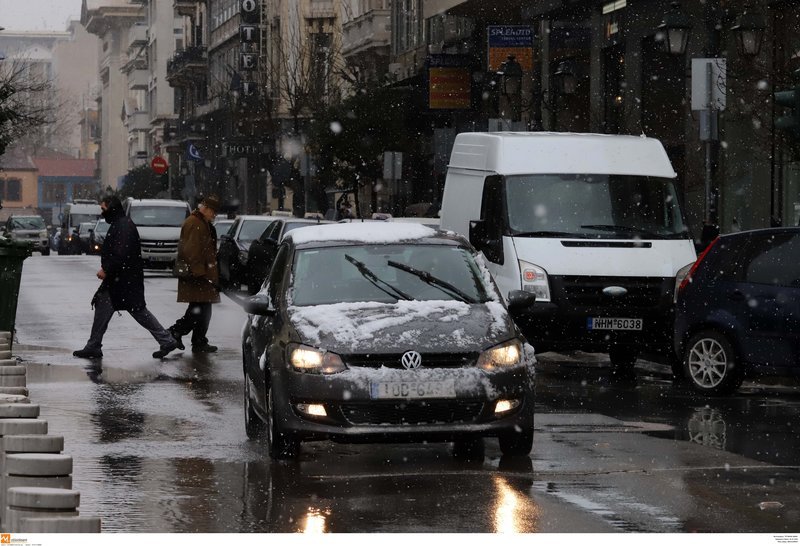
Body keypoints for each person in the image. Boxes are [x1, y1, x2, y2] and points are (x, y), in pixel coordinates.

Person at [73, 195, 179, 360]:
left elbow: (121, 253)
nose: (102, 212)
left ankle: (166, 340)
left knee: (137, 310)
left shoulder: (123, 226)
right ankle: (93, 345)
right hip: (123, 279)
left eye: (103, 209)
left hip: (123, 280)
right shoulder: (121, 223)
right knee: (117, 307)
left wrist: (106, 269)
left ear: (111, 208)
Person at [166, 195, 221, 353]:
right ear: (205, 209)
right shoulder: (195, 223)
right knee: (198, 310)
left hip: (201, 274)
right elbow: (191, 251)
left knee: (202, 309)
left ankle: (198, 340)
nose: (214, 215)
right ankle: (176, 332)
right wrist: (200, 273)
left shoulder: (201, 222)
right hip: (198, 276)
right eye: (213, 212)